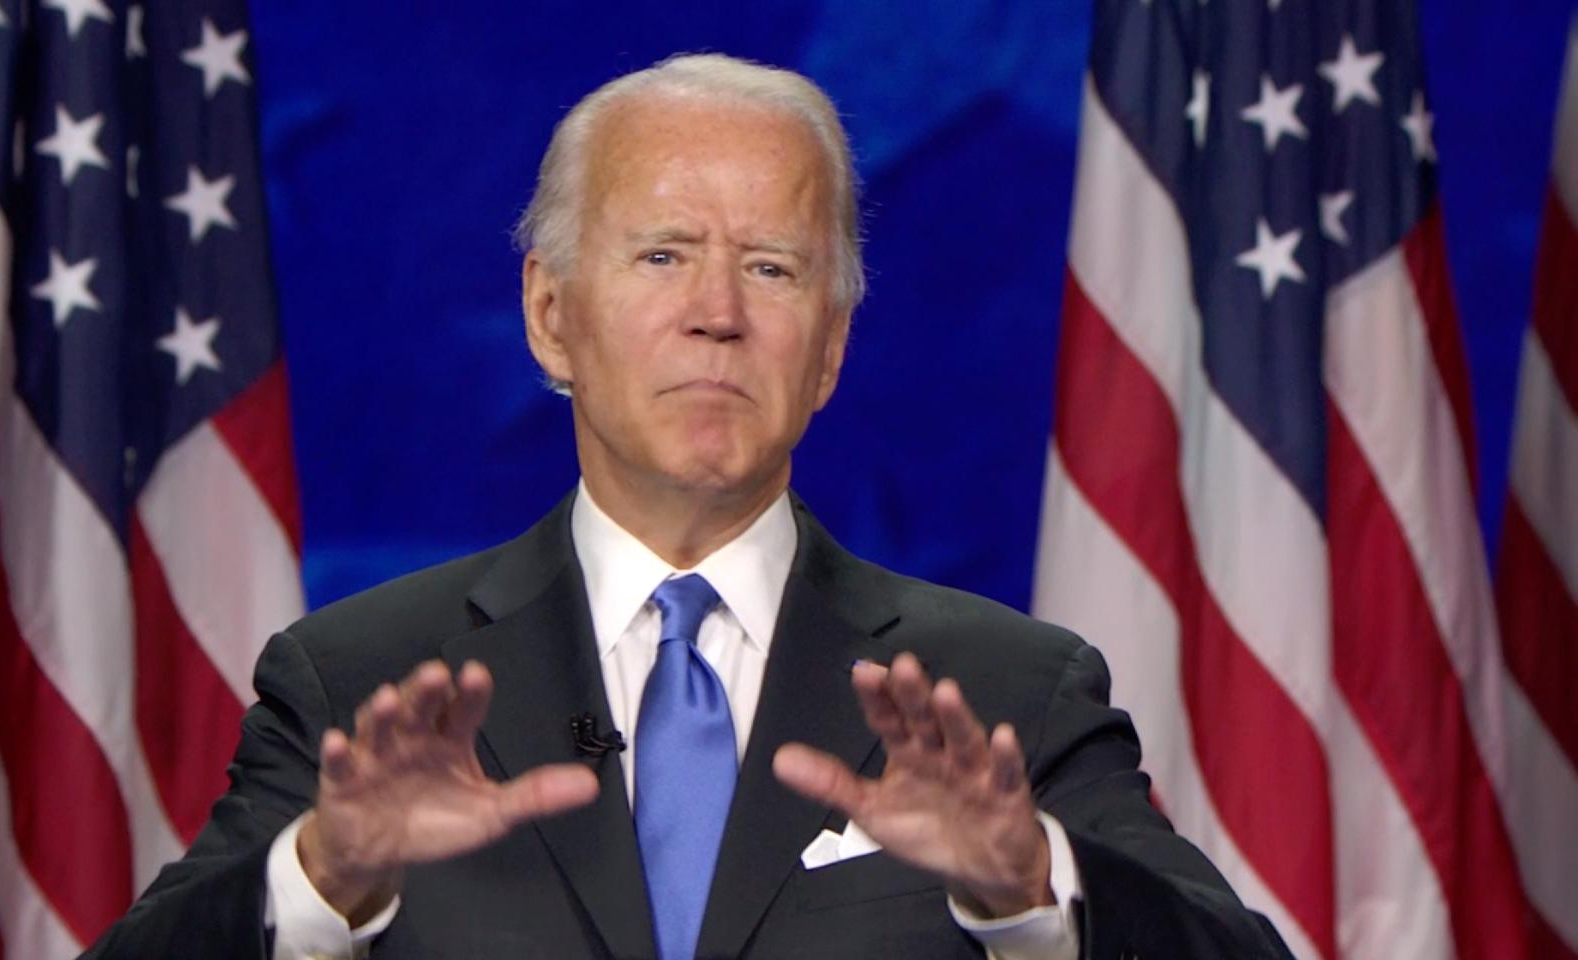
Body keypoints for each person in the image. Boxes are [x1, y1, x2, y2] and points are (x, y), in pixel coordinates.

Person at [85, 53, 1292, 960]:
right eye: (663, 254)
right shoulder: (357, 686)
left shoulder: (1003, 699)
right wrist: (321, 880)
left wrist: (1033, 886)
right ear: (551, 316)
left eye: (772, 267)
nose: (719, 309)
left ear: (828, 350)